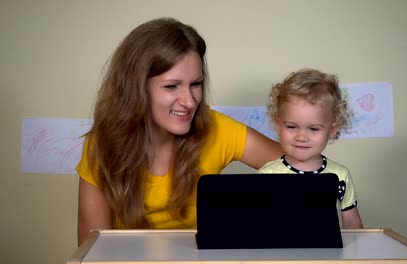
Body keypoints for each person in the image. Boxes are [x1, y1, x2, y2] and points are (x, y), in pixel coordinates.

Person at [76, 17, 283, 246]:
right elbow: (92, 249)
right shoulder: (102, 143)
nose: (189, 101)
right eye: (171, 86)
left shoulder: (218, 128)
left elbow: (302, 171)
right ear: (136, 89)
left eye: (195, 84)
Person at [258, 68, 363, 229]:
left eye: (313, 129)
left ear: (333, 129)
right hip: (279, 253)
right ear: (278, 125)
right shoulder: (267, 175)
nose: (301, 137)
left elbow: (352, 225)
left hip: (327, 253)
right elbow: (258, 222)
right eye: (292, 127)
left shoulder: (340, 175)